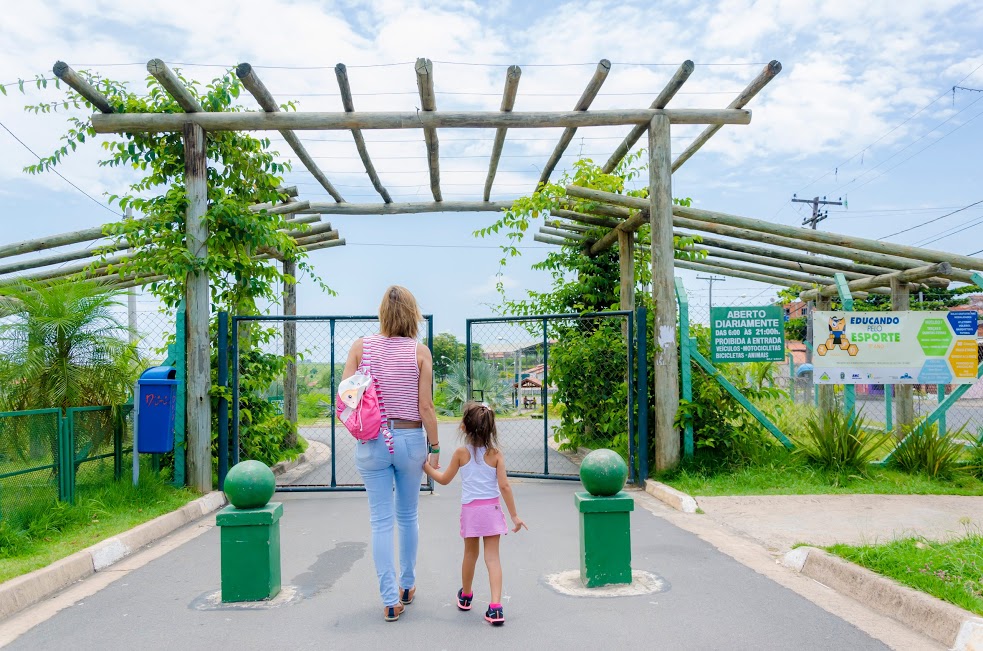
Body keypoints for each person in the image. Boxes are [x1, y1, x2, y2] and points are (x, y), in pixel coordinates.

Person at [342, 286, 439, 622]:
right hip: (411, 439)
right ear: (413, 314)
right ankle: (407, 586)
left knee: (380, 521)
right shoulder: (420, 352)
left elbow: (346, 400)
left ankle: (388, 600)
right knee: (408, 516)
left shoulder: (360, 348)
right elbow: (425, 406)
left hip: (372, 441)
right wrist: (436, 446)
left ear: (382, 312)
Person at [423, 402, 527, 626]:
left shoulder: (461, 453)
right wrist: (515, 516)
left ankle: (467, 595)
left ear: (464, 427)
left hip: (471, 512)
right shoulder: (496, 454)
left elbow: (443, 479)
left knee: (470, 555)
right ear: (491, 428)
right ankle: (496, 607)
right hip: (492, 510)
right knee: (493, 558)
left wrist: (426, 467)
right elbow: (505, 487)